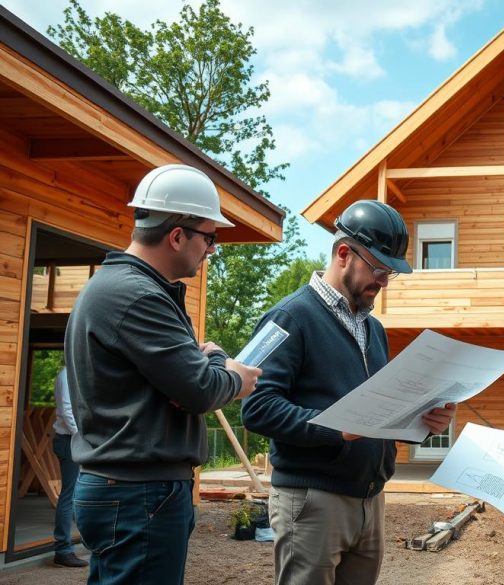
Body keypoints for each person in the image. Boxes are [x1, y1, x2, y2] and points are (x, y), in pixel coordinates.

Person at [64, 164, 262, 585]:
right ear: (177, 235)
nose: (212, 249)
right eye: (210, 237)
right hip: (140, 494)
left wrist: (198, 368)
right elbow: (201, 389)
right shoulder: (138, 296)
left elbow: (183, 381)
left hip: (128, 490)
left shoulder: (123, 288)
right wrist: (230, 371)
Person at [241, 199, 457, 585]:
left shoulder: (373, 329)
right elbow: (258, 408)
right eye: (378, 269)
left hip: (370, 498)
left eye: (391, 273)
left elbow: (379, 408)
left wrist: (423, 419)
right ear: (344, 253)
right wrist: (337, 427)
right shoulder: (290, 317)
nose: (384, 282)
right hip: (313, 501)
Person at [51, 364, 88, 568]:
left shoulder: (78, 373)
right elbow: (67, 410)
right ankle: (63, 550)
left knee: (80, 492)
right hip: (69, 441)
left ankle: (85, 541)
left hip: (75, 440)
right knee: (70, 494)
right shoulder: (67, 375)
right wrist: (82, 437)